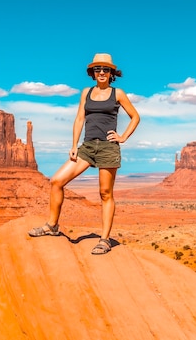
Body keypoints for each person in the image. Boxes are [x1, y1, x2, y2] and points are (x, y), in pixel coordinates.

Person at [28, 53, 140, 255]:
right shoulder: (86, 92)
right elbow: (80, 118)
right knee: (56, 181)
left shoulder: (118, 93)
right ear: (92, 72)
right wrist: (74, 144)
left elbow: (135, 117)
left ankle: (104, 240)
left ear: (111, 73)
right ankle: (52, 226)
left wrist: (122, 137)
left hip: (108, 147)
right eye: (98, 69)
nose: (102, 72)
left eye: (106, 69)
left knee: (105, 194)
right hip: (87, 147)